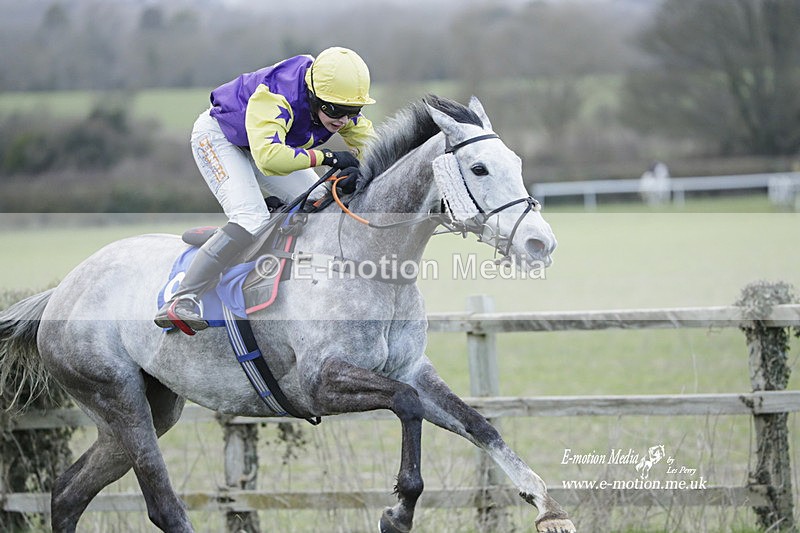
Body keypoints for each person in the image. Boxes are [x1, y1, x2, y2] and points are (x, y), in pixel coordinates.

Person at [155, 46, 376, 333]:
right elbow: (270, 159)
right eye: (335, 111)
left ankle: (238, 245)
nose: (343, 120)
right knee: (251, 216)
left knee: (323, 201)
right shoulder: (275, 96)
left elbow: (375, 149)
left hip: (265, 144)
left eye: (352, 111)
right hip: (221, 138)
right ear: (312, 94)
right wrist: (330, 158)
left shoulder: (334, 99)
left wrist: (361, 173)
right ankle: (182, 297)